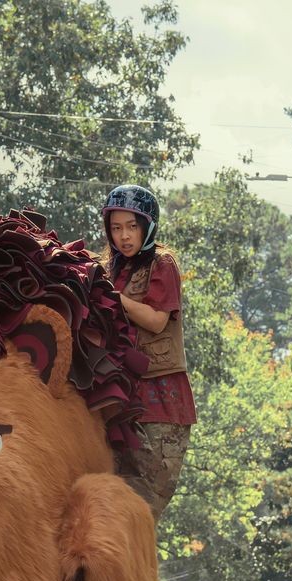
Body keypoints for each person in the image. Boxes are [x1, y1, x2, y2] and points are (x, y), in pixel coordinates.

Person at [103, 184, 197, 520]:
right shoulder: (111, 270)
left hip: (161, 402)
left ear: (148, 226)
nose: (124, 236)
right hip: (121, 401)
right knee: (111, 506)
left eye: (132, 226)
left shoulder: (162, 263)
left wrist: (111, 297)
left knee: (142, 507)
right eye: (116, 228)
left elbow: (157, 320)